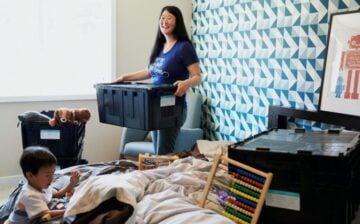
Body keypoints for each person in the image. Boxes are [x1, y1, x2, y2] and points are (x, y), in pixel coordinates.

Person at [112, 5, 201, 155]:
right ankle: (158, 176)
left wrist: (186, 83)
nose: (165, 21)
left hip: (171, 109)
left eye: (169, 18)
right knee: (157, 153)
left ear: (177, 22)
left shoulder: (184, 47)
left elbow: (197, 76)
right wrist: (123, 78)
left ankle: (165, 177)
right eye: (162, 18)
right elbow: (149, 72)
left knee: (163, 154)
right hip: (154, 108)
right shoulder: (160, 47)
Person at [5, 146, 80, 224]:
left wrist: (72, 183)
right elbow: (46, 213)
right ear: (30, 175)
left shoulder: (42, 185)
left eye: (53, 173)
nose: (52, 178)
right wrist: (70, 210)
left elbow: (58, 194)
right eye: (47, 175)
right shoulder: (30, 195)